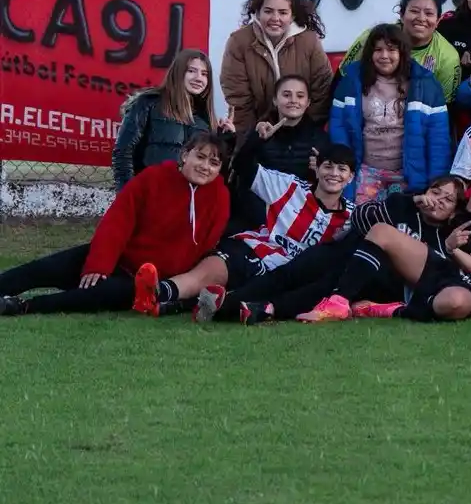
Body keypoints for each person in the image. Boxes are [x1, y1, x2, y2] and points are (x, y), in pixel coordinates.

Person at [0, 132, 233, 316]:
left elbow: (206, 247)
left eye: (214, 162)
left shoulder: (220, 197)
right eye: (200, 157)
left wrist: (172, 288)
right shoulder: (153, 178)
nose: (205, 167)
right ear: (185, 155)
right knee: (44, 268)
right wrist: (99, 264)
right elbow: (118, 221)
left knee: (93, 296)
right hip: (118, 258)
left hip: (146, 281)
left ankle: (23, 306)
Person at [194, 176, 470, 325]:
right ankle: (227, 303)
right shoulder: (401, 203)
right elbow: (361, 219)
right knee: (293, 271)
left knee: (328, 281)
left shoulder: (439, 239)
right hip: (342, 249)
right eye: (437, 192)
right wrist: (414, 200)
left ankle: (244, 308)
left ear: (452, 213)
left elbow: (424, 276)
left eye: (448, 200)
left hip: (369, 278)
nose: (438, 201)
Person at [129, 141, 357, 315]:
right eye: (328, 166)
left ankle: (174, 305)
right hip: (253, 248)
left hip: (281, 275)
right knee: (209, 273)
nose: (334, 174)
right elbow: (244, 166)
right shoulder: (290, 187)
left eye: (341, 169)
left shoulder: (352, 216)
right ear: (316, 169)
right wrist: (257, 139)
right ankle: (158, 292)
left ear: (350, 177)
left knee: (232, 296)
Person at [297, 187, 471, 323]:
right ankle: (338, 302)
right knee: (382, 231)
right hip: (462, 276)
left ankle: (387, 308)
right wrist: (451, 248)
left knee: (454, 302)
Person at [331, 23, 452, 202]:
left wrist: (436, 184)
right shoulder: (351, 81)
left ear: (402, 53)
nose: (384, 56)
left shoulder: (425, 84)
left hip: (408, 176)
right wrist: (343, 169)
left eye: (391, 50)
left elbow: (438, 140)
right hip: (365, 172)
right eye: (378, 50)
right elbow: (338, 129)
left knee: (399, 226)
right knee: (361, 222)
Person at [220, 0, 334, 136]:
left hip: (303, 131)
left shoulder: (309, 41)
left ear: (292, 15)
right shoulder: (238, 42)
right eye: (268, 11)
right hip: (256, 131)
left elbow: (322, 91)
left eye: (283, 12)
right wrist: (255, 134)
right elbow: (238, 98)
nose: (275, 18)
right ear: (258, 12)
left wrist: (303, 130)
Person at [225, 74, 332, 233]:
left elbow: (329, 188)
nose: (293, 100)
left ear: (308, 102)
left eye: (300, 96)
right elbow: (240, 167)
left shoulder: (320, 139)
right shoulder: (259, 131)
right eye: (286, 95)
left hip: (298, 219)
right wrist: (258, 139)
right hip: (257, 217)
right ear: (275, 100)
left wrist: (320, 171)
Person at [112, 48, 223, 189]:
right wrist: (128, 196)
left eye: (204, 74)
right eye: (191, 71)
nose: (198, 78)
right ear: (178, 72)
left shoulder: (205, 118)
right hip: (150, 193)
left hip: (188, 201)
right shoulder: (148, 103)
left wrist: (226, 139)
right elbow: (122, 153)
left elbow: (213, 169)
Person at [341, 0, 460, 100]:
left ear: (438, 20)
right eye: (414, 11)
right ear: (401, 15)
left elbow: (446, 105)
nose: (421, 18)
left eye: (429, 14)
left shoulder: (448, 57)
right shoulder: (371, 37)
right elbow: (342, 77)